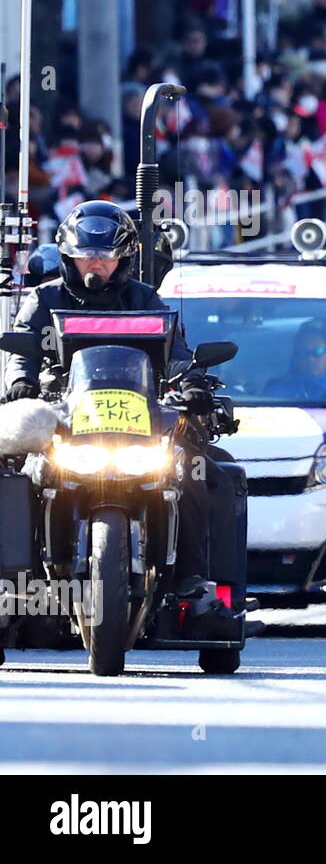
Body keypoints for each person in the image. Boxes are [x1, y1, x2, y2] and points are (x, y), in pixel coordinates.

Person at [3, 201, 234, 636]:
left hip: (138, 421)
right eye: (86, 255)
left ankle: (194, 585)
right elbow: (20, 354)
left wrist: (193, 385)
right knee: (19, 473)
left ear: (123, 259)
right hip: (63, 417)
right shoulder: (43, 298)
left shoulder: (146, 299)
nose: (95, 265)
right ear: (67, 256)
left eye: (106, 256)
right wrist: (21, 382)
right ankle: (15, 583)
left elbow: (178, 356)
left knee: (198, 471)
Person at [265, 323, 326, 403]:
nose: (310, 359)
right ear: (295, 358)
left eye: (317, 352)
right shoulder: (275, 393)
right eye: (304, 353)